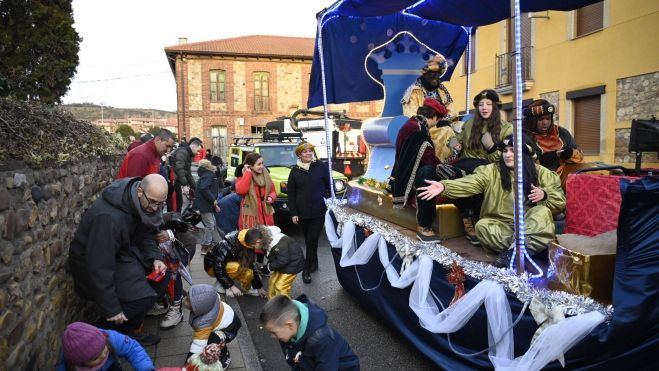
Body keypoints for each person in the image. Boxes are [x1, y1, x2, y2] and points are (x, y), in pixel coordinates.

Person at [418, 134, 566, 267]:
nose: (507, 155)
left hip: (530, 223)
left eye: (513, 151)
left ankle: (515, 251)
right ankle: (527, 248)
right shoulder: (491, 171)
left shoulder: (542, 173)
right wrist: (445, 186)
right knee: (482, 226)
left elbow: (559, 201)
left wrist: (544, 195)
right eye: (505, 150)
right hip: (502, 226)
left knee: (542, 212)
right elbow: (471, 182)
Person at [68, 174, 171, 345]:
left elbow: (145, 233)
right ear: (139, 191)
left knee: (162, 279)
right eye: (153, 202)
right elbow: (99, 265)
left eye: (161, 204)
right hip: (92, 264)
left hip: (121, 252)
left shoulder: (139, 204)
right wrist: (112, 308)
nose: (155, 208)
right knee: (142, 297)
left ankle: (130, 329)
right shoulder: (109, 218)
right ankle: (99, 334)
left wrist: (155, 258)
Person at [453, 89, 513, 245]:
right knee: (457, 175)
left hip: (492, 170)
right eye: (481, 104)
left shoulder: (507, 128)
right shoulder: (469, 124)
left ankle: (480, 222)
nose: (484, 108)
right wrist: (454, 143)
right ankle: (467, 216)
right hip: (466, 164)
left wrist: (492, 148)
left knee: (475, 174)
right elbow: (458, 139)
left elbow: (508, 157)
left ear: (496, 106)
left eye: (488, 104)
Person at [389, 97, 449, 242]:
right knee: (429, 174)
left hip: (402, 173)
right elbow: (426, 157)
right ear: (434, 117)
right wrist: (445, 168)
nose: (436, 124)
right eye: (437, 120)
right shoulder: (419, 130)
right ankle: (424, 227)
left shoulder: (412, 123)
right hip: (410, 178)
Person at [260, 295, 360, 371]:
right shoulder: (286, 333)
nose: (272, 336)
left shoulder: (322, 339)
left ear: (290, 325)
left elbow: (328, 368)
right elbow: (294, 359)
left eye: (273, 332)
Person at [286, 142, 331, 283]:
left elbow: (329, 186)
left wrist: (330, 203)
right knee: (308, 239)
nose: (309, 153)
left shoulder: (321, 167)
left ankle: (305, 269)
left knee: (312, 239)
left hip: (319, 210)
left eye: (310, 151)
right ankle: (314, 262)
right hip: (302, 212)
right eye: (305, 152)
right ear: (299, 154)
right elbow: (291, 194)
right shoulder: (295, 171)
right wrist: (293, 213)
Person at [184, 284, 241, 368]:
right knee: (207, 338)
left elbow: (197, 347)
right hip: (228, 319)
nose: (185, 301)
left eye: (189, 301)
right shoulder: (210, 300)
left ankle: (225, 356)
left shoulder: (204, 323)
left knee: (212, 341)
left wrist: (188, 365)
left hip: (229, 329)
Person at [57, 322, 154, 371]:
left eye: (104, 348)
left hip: (110, 366)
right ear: (80, 363)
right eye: (96, 357)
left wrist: (146, 369)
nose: (103, 355)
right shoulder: (67, 365)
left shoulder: (109, 337)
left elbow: (132, 348)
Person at [523, 99, 584, 175]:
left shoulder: (561, 132)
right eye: (541, 119)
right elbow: (527, 165)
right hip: (542, 180)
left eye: (548, 119)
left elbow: (579, 156)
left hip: (568, 174)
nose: (545, 123)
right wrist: (550, 158)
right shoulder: (523, 136)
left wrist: (569, 153)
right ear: (532, 120)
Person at [204, 227, 268, 298]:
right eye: (261, 243)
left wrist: (259, 287)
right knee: (237, 267)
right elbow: (218, 267)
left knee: (248, 272)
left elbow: (251, 265)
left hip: (225, 265)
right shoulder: (227, 244)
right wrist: (231, 286)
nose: (262, 246)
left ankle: (246, 289)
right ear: (256, 242)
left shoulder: (248, 242)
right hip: (211, 267)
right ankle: (221, 284)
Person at [235, 152, 276, 229]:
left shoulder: (266, 175)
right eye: (259, 164)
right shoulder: (242, 175)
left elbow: (273, 191)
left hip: (266, 213)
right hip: (252, 216)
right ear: (250, 166)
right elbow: (241, 191)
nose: (262, 166)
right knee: (254, 239)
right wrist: (248, 173)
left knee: (268, 238)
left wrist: (271, 197)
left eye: (262, 163)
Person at [264, 225, 305, 298]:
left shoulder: (278, 243)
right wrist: (268, 266)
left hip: (293, 264)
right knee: (272, 281)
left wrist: (268, 267)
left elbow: (283, 260)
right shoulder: (268, 240)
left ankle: (286, 306)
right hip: (284, 263)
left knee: (281, 286)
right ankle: (272, 300)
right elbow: (275, 257)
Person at [194, 159, 221, 255]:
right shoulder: (209, 174)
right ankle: (206, 246)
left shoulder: (204, 175)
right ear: (208, 165)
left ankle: (211, 243)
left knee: (211, 224)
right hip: (205, 205)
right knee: (210, 225)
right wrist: (213, 200)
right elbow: (204, 188)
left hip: (204, 204)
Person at [171, 137, 203, 212]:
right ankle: (174, 219)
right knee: (175, 203)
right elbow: (179, 168)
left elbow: (188, 173)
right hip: (173, 181)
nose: (198, 153)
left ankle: (176, 218)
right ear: (193, 146)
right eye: (198, 151)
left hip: (176, 181)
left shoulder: (187, 154)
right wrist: (185, 184)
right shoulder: (183, 152)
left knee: (178, 202)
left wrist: (195, 188)